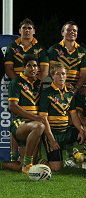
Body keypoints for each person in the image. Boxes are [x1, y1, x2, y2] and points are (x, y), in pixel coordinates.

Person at [39, 62, 86, 171]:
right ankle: (39, 161)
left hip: (66, 132)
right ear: (52, 76)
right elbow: (43, 119)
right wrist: (51, 139)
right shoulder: (46, 93)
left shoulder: (69, 94)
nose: (61, 76)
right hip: (53, 133)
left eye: (63, 74)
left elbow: (73, 115)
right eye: (58, 74)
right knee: (56, 168)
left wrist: (81, 129)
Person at [4, 18, 49, 162]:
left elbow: (45, 70)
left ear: (34, 31)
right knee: (36, 125)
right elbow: (9, 68)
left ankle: (17, 161)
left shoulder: (40, 48)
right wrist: (19, 83)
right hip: (22, 119)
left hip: (32, 116)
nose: (27, 30)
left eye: (30, 28)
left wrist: (34, 81)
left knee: (27, 163)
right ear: (20, 31)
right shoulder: (12, 47)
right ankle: (15, 158)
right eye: (24, 28)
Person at [7, 54, 45, 173]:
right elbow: (12, 106)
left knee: (19, 167)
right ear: (24, 68)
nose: (32, 68)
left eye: (35, 66)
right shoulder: (16, 82)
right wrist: (34, 117)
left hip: (32, 126)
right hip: (20, 124)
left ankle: (7, 165)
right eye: (29, 66)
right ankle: (27, 163)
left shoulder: (39, 84)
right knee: (40, 125)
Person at [47, 21, 86, 94]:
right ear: (62, 33)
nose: (72, 32)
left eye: (74, 30)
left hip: (75, 91)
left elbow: (84, 75)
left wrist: (75, 89)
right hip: (57, 90)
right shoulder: (54, 49)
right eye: (68, 30)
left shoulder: (83, 52)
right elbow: (52, 72)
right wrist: (62, 85)